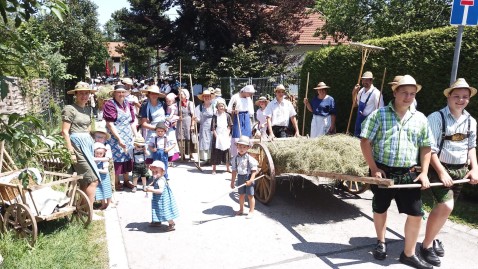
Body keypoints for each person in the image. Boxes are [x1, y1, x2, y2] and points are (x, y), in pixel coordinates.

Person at [360, 75, 432, 269]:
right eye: (404, 93)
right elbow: (365, 141)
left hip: (409, 172)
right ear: (395, 93)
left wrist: (424, 172)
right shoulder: (379, 114)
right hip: (383, 171)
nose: (408, 97)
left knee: (416, 213)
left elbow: (426, 147)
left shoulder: (420, 119)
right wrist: (374, 169)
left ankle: (408, 254)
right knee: (380, 207)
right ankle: (381, 242)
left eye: (412, 94)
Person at [421, 78, 478, 267]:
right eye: (457, 96)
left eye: (465, 97)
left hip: (461, 170)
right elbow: (431, 149)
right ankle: (426, 246)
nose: (461, 100)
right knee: (446, 206)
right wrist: (442, 172)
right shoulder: (436, 118)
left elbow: (471, 147)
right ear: (448, 97)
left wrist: (475, 168)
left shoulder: (471, 121)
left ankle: (433, 237)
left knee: (444, 209)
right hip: (439, 168)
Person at [61, 82, 102, 210]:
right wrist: (71, 151)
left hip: (87, 144)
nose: (84, 95)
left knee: (85, 180)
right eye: (81, 93)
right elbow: (65, 131)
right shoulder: (70, 109)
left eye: (87, 93)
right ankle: (88, 210)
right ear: (76, 94)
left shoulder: (88, 109)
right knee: (93, 179)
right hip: (76, 145)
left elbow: (88, 129)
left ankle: (81, 209)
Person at [104, 84, 138, 191]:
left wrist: (136, 136)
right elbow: (110, 123)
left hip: (127, 135)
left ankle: (127, 180)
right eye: (118, 92)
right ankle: (116, 181)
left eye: (123, 92)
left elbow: (132, 122)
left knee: (127, 156)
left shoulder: (128, 104)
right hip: (115, 136)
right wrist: (119, 139)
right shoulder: (110, 104)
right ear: (114, 93)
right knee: (116, 158)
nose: (121, 94)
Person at [145, 160, 179, 231]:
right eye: (153, 172)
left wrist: (150, 190)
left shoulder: (161, 180)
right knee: (157, 209)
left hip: (163, 199)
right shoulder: (158, 178)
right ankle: (157, 221)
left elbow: (160, 191)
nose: (154, 174)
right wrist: (150, 185)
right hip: (158, 198)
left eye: (156, 172)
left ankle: (171, 224)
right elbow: (154, 181)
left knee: (164, 211)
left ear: (163, 172)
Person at [230, 136, 258, 219]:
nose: (241, 149)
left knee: (250, 195)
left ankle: (251, 211)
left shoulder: (250, 159)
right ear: (237, 147)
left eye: (244, 147)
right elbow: (234, 171)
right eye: (240, 146)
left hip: (248, 177)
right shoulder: (235, 159)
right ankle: (241, 209)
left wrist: (251, 180)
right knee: (241, 195)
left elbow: (254, 170)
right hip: (240, 177)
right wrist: (232, 181)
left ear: (248, 148)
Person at [352, 71, 384, 137]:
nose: (364, 82)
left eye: (367, 80)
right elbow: (355, 105)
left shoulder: (376, 93)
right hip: (359, 121)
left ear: (371, 81)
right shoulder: (361, 91)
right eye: (363, 80)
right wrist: (354, 92)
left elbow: (380, 111)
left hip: (369, 123)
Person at [227, 85, 255, 156]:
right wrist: (234, 111)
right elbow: (228, 109)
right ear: (245, 92)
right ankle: (235, 155)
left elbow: (251, 111)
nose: (250, 95)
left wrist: (251, 120)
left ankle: (246, 155)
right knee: (237, 136)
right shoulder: (235, 97)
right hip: (237, 116)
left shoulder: (249, 99)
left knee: (247, 135)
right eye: (249, 93)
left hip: (246, 117)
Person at [139, 85, 166, 158]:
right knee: (149, 156)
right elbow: (144, 124)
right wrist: (156, 129)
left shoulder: (162, 104)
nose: (154, 95)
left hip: (163, 132)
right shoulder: (145, 105)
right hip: (152, 132)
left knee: (162, 156)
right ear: (149, 94)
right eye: (152, 93)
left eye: (156, 93)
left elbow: (167, 116)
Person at [210, 100, 232, 174]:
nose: (221, 107)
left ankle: (228, 168)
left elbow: (229, 126)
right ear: (217, 107)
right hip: (217, 135)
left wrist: (227, 135)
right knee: (215, 152)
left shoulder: (227, 115)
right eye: (219, 106)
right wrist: (217, 138)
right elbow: (213, 128)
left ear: (224, 107)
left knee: (226, 152)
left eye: (222, 106)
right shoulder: (215, 116)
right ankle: (214, 169)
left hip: (225, 135)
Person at [194, 89, 215, 164]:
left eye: (208, 96)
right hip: (203, 128)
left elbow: (217, 116)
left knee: (211, 142)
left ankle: (212, 159)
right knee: (204, 143)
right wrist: (196, 119)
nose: (206, 97)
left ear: (210, 97)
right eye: (205, 96)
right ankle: (206, 159)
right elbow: (197, 118)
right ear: (203, 98)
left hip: (212, 128)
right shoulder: (199, 107)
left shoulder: (213, 107)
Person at [176, 88, 196, 159]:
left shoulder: (190, 103)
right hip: (180, 122)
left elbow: (193, 115)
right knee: (180, 137)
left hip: (188, 121)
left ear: (185, 95)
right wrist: (178, 117)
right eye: (179, 95)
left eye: (181, 95)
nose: (180, 96)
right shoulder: (178, 104)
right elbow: (175, 114)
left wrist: (192, 125)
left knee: (188, 137)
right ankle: (182, 154)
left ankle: (190, 153)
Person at [93, 142, 112, 210]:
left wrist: (96, 170)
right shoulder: (94, 159)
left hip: (104, 178)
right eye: (97, 153)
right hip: (98, 178)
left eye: (101, 153)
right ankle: (103, 204)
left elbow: (105, 171)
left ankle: (109, 204)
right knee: (99, 190)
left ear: (104, 153)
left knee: (107, 190)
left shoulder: (104, 161)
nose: (98, 155)